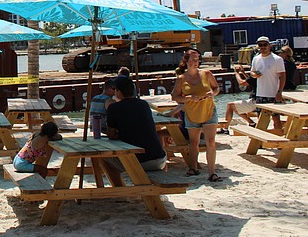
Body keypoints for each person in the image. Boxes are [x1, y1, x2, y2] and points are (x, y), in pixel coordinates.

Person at [172, 48, 223, 182]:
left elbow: (216, 88)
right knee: (193, 143)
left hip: (209, 111)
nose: (196, 62)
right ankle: (193, 167)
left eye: (197, 59)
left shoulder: (206, 73)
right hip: (192, 113)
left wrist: (212, 93)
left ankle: (212, 172)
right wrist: (188, 98)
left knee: (210, 142)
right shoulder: (181, 79)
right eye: (193, 60)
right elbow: (175, 97)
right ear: (186, 61)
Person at [105, 76, 167, 172]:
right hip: (159, 159)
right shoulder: (144, 104)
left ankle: (118, 185)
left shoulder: (113, 108)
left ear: (119, 92)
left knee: (104, 158)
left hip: (137, 161)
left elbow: (111, 134)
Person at [251, 36, 286, 131]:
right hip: (260, 94)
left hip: (273, 94)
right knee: (260, 119)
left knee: (276, 119)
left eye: (265, 45)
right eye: (260, 45)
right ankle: (260, 143)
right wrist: (254, 75)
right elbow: (252, 72)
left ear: (269, 46)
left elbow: (282, 76)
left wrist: (279, 92)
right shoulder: (256, 59)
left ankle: (279, 141)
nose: (262, 47)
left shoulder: (277, 59)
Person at [218, 65, 257, 134]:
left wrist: (236, 73)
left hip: (255, 101)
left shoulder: (257, 75)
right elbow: (251, 81)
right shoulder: (261, 75)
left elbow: (242, 83)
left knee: (230, 105)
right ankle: (251, 123)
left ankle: (225, 128)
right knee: (236, 107)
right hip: (258, 100)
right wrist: (243, 73)